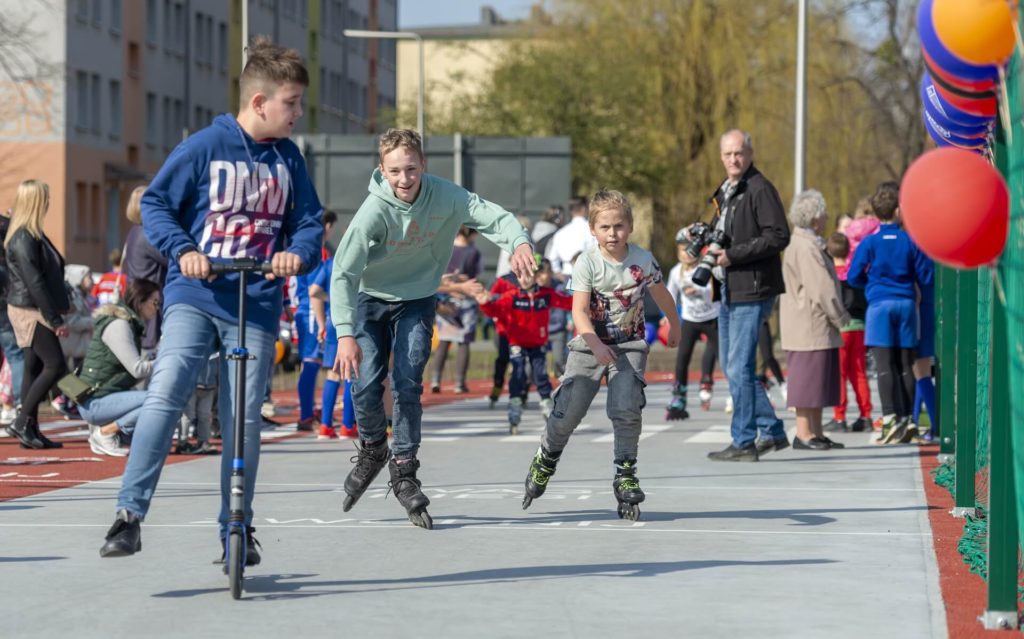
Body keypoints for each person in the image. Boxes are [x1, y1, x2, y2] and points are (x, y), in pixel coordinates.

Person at [99, 37, 323, 559]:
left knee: (243, 416)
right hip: (196, 294)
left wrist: (298, 253)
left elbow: (308, 222)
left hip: (256, 301)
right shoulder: (204, 146)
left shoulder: (289, 159)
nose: (297, 114)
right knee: (169, 387)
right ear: (260, 102)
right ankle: (129, 514)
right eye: (291, 104)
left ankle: (236, 529)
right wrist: (184, 250)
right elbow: (155, 204)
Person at [331, 127, 536, 529]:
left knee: (408, 382)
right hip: (371, 300)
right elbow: (343, 272)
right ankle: (374, 448)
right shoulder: (373, 213)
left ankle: (404, 470)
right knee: (366, 382)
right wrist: (343, 332)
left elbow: (493, 216)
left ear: (423, 165)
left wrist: (519, 242)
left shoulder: (447, 196)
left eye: (411, 168)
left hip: (418, 298)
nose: (404, 179)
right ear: (382, 171)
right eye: (394, 172)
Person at [521, 190, 680, 517]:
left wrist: (674, 324)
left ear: (631, 226)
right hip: (588, 346)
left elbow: (662, 295)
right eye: (605, 227)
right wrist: (593, 342)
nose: (613, 234)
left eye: (619, 226)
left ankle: (625, 472)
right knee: (568, 414)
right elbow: (578, 310)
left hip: (629, 345)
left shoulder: (643, 260)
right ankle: (546, 457)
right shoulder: (588, 262)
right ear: (593, 229)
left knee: (627, 409)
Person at [699, 129, 791, 462]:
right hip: (728, 287)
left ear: (750, 154)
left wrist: (733, 255)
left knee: (738, 366)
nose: (734, 159)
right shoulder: (728, 191)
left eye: (739, 153)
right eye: (728, 154)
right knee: (732, 365)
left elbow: (779, 235)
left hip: (751, 287)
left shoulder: (759, 188)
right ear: (721, 157)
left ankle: (743, 441)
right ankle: (772, 431)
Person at [848, 181, 932, 445]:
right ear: (898, 210)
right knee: (905, 364)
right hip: (906, 304)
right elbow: (927, 274)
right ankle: (908, 420)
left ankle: (890, 420)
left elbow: (853, 276)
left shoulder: (869, 243)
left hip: (879, 306)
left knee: (884, 365)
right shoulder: (909, 240)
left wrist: (872, 287)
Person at [779, 190, 850, 450]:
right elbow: (822, 288)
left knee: (819, 381)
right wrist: (840, 315)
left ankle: (815, 432)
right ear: (814, 217)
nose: (827, 216)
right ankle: (804, 433)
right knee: (808, 381)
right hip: (809, 323)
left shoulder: (807, 244)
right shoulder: (806, 247)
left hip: (813, 323)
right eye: (823, 212)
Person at [4, 180, 71, 449]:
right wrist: (54, 319)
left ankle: (30, 431)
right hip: (30, 308)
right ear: (34, 202)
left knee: (33, 367)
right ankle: (21, 422)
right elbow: (35, 282)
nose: (48, 202)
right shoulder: (23, 236)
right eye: (45, 198)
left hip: (32, 306)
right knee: (56, 365)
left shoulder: (32, 233)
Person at [476, 257, 572, 431]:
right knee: (518, 372)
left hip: (537, 342)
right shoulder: (511, 297)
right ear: (516, 277)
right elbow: (495, 309)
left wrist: (583, 295)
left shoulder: (545, 295)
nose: (525, 278)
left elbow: (567, 302)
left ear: (536, 275)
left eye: (529, 274)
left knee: (540, 373)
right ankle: (514, 404)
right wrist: (485, 303)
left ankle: (546, 402)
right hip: (517, 342)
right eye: (521, 275)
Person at [81, 279, 161, 457]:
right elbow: (137, 369)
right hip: (95, 401)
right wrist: (166, 362)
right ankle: (106, 432)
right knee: (159, 399)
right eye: (155, 302)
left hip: (104, 396)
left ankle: (114, 431)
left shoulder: (130, 324)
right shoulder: (120, 325)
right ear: (140, 301)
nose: (157, 308)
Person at [664, 229, 719, 420]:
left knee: (724, 357)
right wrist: (668, 316)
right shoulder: (675, 272)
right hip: (690, 320)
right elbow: (669, 295)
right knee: (682, 359)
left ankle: (737, 395)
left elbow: (714, 290)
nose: (685, 254)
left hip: (712, 318)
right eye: (681, 251)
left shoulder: (706, 268)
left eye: (689, 250)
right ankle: (679, 399)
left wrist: (697, 290)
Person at [824, 232, 872, 432]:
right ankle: (866, 415)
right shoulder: (855, 275)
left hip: (841, 328)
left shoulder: (831, 275)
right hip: (859, 326)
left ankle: (839, 416)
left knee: (839, 374)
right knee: (859, 373)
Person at [430, 226, 484, 394]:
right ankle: (459, 383)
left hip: (445, 299)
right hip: (466, 299)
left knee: (444, 341)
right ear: (472, 233)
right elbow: (476, 275)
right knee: (464, 341)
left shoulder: (444, 248)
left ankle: (435, 380)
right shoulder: (473, 253)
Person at [122, 184, 169, 354]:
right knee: (150, 352)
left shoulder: (134, 232)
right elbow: (172, 260)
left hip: (140, 295)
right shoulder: (147, 234)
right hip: (151, 297)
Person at [0, 208, 24, 426]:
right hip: (5, 299)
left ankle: (17, 405)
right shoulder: (7, 227)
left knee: (15, 354)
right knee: (15, 354)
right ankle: (19, 405)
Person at [545, 196, 593, 276]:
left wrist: (559, 274)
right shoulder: (592, 230)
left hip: (566, 275)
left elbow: (552, 259)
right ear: (584, 208)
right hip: (588, 275)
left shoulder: (560, 233)